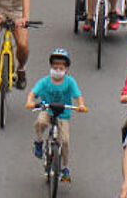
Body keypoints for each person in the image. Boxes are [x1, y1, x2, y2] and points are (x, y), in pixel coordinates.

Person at [26, 48, 87, 183]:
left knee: (64, 141)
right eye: (55, 67)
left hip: (63, 114)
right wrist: (30, 101)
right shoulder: (45, 81)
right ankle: (39, 141)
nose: (57, 70)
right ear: (51, 67)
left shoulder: (70, 82)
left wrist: (81, 105)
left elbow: (78, 95)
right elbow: (33, 93)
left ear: (66, 69)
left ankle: (65, 167)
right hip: (47, 109)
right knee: (40, 122)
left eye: (60, 68)